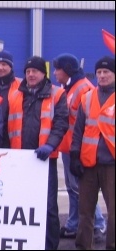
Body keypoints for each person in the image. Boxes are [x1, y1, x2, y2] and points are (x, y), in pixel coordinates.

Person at [7, 56, 69, 250]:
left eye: (35, 71)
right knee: (21, 204)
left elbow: (60, 123)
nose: (31, 75)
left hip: (44, 160)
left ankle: (50, 245)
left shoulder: (57, 94)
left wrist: (50, 146)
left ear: (44, 73)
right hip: (19, 160)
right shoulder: (16, 94)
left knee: (49, 206)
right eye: (28, 71)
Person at [53, 53, 106, 242]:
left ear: (66, 70)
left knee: (80, 189)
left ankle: (98, 224)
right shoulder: (72, 87)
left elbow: (88, 123)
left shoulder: (82, 89)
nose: (54, 72)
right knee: (72, 188)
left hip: (79, 149)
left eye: (57, 68)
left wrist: (78, 150)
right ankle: (74, 223)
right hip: (69, 147)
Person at [70, 56, 115, 250]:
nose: (102, 76)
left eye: (106, 72)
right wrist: (74, 154)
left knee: (114, 211)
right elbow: (78, 129)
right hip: (88, 164)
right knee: (85, 211)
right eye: (99, 72)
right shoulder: (87, 98)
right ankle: (83, 246)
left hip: (112, 165)